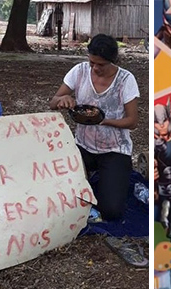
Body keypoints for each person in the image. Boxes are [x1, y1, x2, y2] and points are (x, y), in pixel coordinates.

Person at [48, 33, 139, 221]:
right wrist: (63, 99)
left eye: (101, 65)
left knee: (112, 211)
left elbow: (132, 121)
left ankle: (107, 178)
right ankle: (91, 177)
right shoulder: (79, 71)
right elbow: (53, 102)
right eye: (92, 63)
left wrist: (103, 121)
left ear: (113, 60)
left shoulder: (125, 80)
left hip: (114, 149)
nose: (95, 68)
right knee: (58, 196)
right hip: (82, 145)